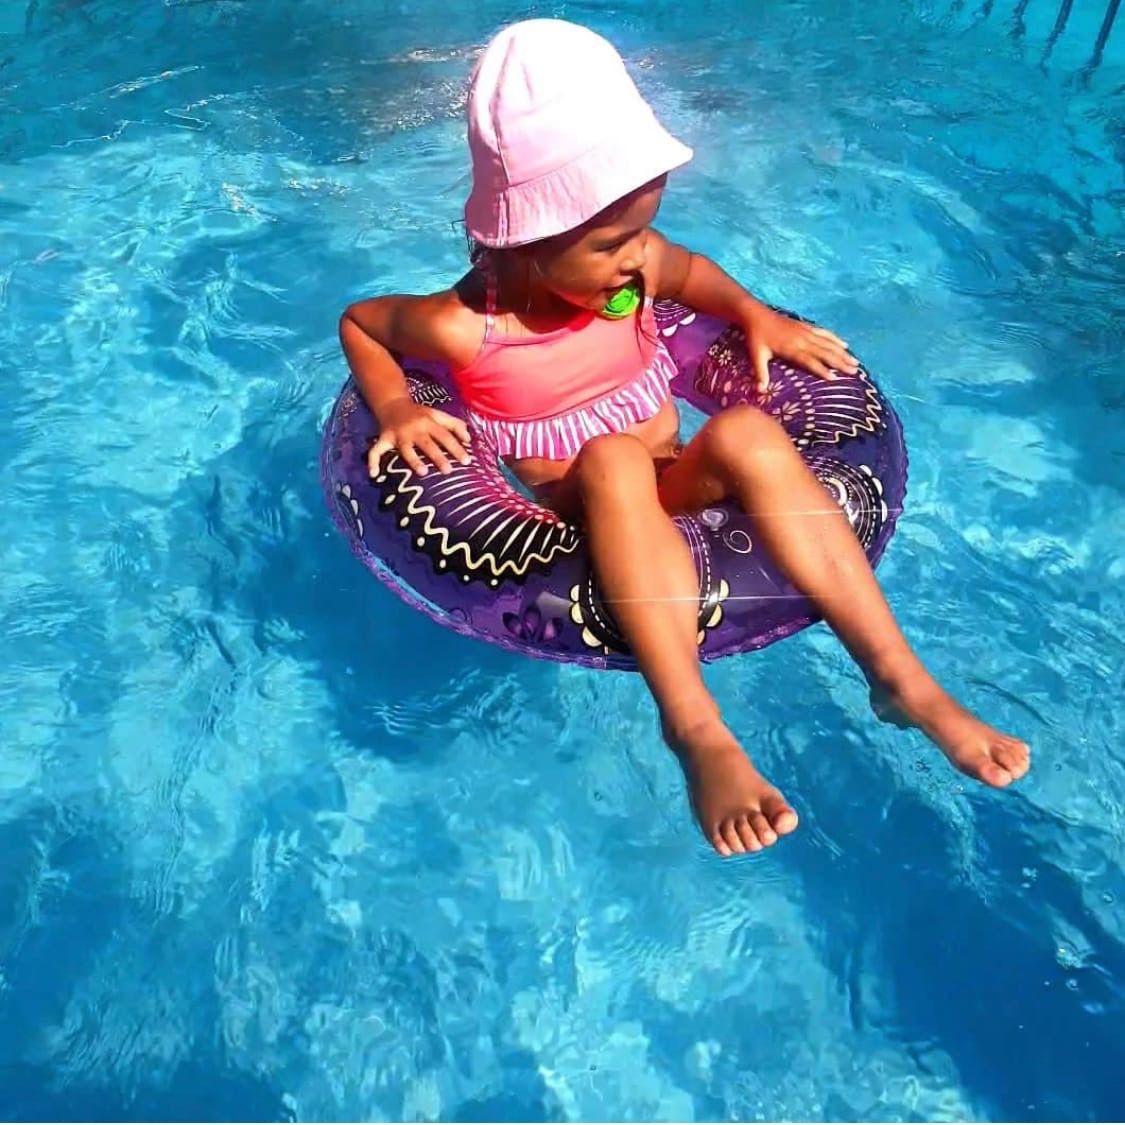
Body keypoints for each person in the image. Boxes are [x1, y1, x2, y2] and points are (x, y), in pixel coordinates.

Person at [339, 19, 1029, 857]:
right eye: (611, 244)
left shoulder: (633, 267)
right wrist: (399, 407)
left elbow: (691, 273)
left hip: (671, 478)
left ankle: (899, 679)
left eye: (643, 230)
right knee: (612, 458)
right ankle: (695, 730)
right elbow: (361, 323)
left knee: (746, 431)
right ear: (522, 241)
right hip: (584, 512)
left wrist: (754, 315)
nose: (638, 260)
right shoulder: (462, 328)